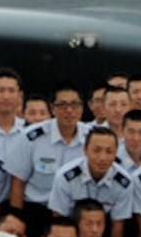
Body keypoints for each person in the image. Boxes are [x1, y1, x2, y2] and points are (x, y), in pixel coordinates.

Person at [46, 127, 141, 237]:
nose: (102, 157)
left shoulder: (124, 182)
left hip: (103, 227)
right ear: (85, 150)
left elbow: (117, 226)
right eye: (96, 150)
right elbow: (59, 220)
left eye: (109, 151)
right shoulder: (65, 177)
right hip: (71, 226)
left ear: (116, 153)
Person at [7, 83, 88, 220]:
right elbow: (18, 182)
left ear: (81, 108)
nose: (69, 110)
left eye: (74, 105)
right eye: (62, 105)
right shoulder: (31, 137)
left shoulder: (92, 137)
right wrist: (16, 221)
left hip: (77, 213)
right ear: (52, 108)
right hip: (38, 210)